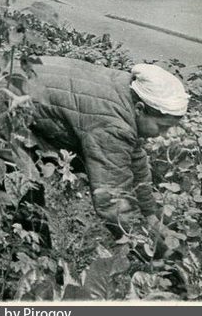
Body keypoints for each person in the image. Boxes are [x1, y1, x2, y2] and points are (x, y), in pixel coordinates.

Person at [28, 57, 189, 238]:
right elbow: (111, 202)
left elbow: (134, 160)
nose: (167, 134)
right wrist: (154, 248)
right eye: (162, 126)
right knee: (26, 193)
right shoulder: (113, 125)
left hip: (22, 78)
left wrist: (150, 214)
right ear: (139, 108)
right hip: (4, 103)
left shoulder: (125, 90)